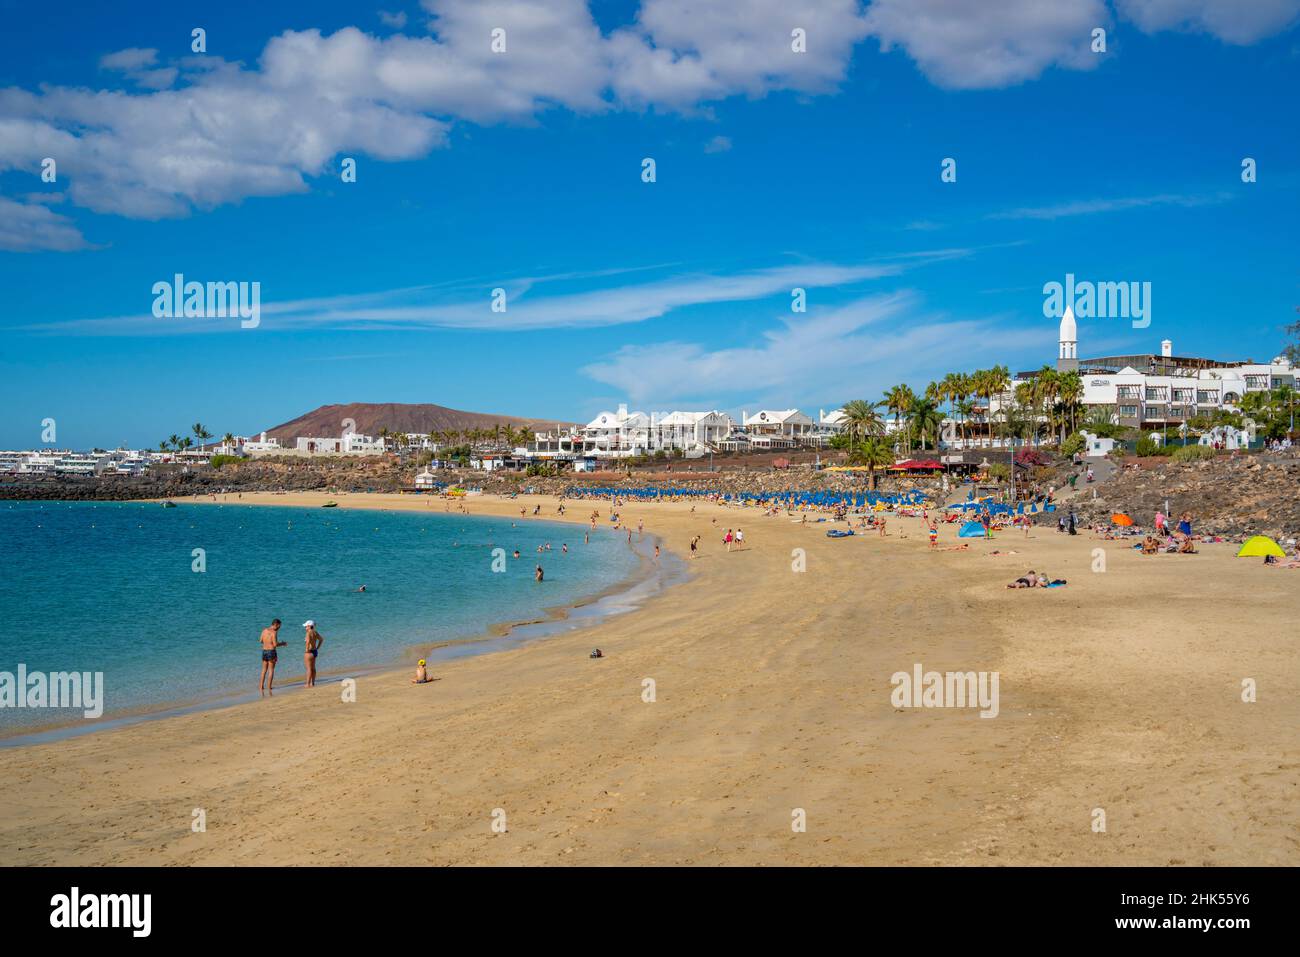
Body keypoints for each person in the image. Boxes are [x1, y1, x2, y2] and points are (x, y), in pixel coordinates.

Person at [259, 619, 286, 691]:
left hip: (264, 651)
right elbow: (275, 644)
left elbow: (260, 640)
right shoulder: (274, 632)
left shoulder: (264, 630)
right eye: (279, 626)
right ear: (276, 624)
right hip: (271, 652)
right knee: (271, 670)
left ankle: (261, 686)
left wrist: (267, 642)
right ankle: (269, 687)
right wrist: (283, 643)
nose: (279, 628)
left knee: (264, 670)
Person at [302, 620, 324, 688]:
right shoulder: (315, 632)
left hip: (309, 652)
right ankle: (313, 683)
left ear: (309, 626)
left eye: (306, 626)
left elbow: (308, 642)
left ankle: (307, 684)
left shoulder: (308, 633)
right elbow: (321, 639)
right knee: (313, 668)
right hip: (314, 651)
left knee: (308, 668)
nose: (305, 628)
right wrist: (318, 647)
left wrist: (306, 650)